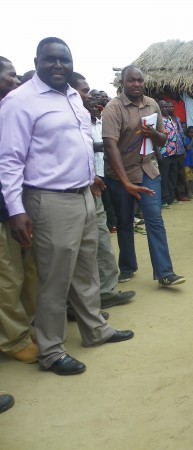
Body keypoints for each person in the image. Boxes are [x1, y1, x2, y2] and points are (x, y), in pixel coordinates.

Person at [0, 37, 134, 375]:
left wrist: (90, 176)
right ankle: (51, 350)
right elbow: (9, 161)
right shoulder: (20, 102)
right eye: (50, 60)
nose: (58, 65)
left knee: (85, 271)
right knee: (53, 279)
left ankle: (94, 330)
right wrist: (15, 209)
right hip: (48, 201)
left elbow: (74, 144)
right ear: (37, 61)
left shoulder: (72, 96)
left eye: (64, 59)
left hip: (84, 195)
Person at [102, 66, 186, 287]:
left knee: (155, 220)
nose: (137, 84)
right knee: (125, 222)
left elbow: (163, 139)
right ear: (123, 82)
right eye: (131, 80)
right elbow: (110, 147)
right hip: (120, 174)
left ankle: (165, 273)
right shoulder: (113, 108)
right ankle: (128, 267)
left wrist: (153, 133)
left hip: (148, 169)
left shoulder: (153, 104)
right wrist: (126, 182)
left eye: (140, 80)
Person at [69, 72, 135, 310]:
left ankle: (106, 291)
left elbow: (82, 151)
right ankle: (75, 305)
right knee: (75, 254)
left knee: (101, 241)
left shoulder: (83, 117)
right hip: (66, 195)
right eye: (84, 91)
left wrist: (92, 175)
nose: (88, 96)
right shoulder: (57, 117)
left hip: (90, 184)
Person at [0, 56, 38, 364]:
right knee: (8, 278)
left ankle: (29, 326)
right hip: (6, 212)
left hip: (19, 207)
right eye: (10, 76)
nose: (15, 81)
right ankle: (14, 339)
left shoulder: (11, 111)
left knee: (28, 271)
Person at [157, 100, 180, 207]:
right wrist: (158, 153)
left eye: (167, 107)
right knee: (164, 177)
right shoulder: (158, 121)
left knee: (172, 175)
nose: (166, 109)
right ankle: (164, 199)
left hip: (174, 152)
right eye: (163, 107)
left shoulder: (171, 118)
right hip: (164, 153)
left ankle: (171, 197)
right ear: (159, 109)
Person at [183, 126, 193, 196]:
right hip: (186, 163)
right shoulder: (186, 139)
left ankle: (190, 192)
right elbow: (188, 147)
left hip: (191, 162)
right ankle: (188, 193)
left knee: (191, 179)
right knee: (187, 179)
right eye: (190, 132)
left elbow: (192, 154)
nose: (191, 134)